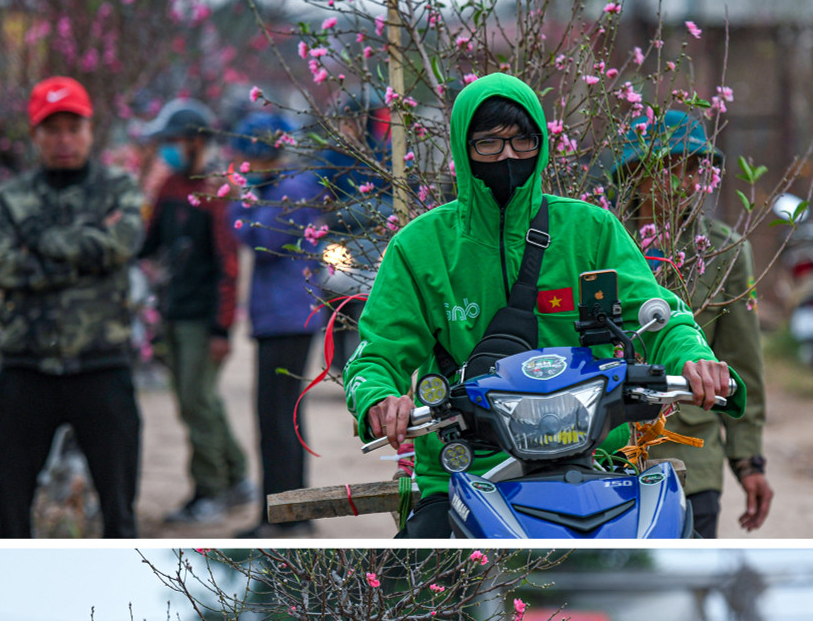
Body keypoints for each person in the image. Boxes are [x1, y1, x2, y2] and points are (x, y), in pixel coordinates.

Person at [342, 74, 743, 537]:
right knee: (417, 573)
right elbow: (376, 355)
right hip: (469, 476)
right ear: (462, 148)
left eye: (522, 141)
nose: (508, 156)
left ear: (542, 143)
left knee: (681, 555)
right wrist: (379, 398)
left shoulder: (590, 230)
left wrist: (693, 358)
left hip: (594, 462)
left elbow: (659, 316)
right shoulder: (420, 247)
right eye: (489, 144)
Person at [0, 76, 147, 538]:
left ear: (90, 130)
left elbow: (120, 246)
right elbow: (1, 267)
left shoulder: (118, 188)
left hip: (102, 366)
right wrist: (86, 256)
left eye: (73, 128)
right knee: (11, 516)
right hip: (26, 370)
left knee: (120, 515)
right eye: (52, 130)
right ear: (36, 135)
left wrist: (38, 241)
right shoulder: (11, 197)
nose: (64, 140)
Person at [620, 110, 772, 536]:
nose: (682, 182)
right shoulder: (598, 244)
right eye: (667, 167)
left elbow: (742, 361)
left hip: (691, 458)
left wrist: (749, 462)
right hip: (607, 454)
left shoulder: (724, 253)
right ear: (634, 173)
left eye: (692, 169)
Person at [137, 97, 253, 525]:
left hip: (204, 321)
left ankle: (210, 491)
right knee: (198, 401)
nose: (167, 149)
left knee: (197, 403)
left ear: (196, 142)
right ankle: (236, 477)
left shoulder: (217, 192)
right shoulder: (169, 186)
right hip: (174, 311)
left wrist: (221, 328)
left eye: (173, 141)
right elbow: (149, 243)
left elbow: (228, 266)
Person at [226, 111, 326, 535]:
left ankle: (287, 518)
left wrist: (240, 198)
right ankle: (282, 514)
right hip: (277, 318)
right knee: (275, 419)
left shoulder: (293, 189)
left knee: (279, 420)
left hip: (289, 318)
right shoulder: (278, 188)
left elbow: (264, 240)